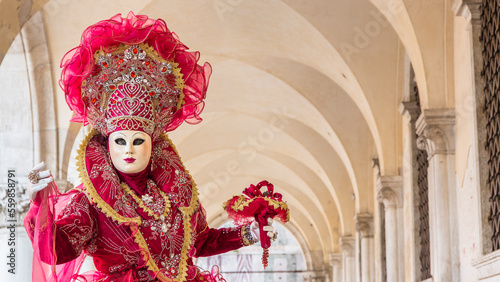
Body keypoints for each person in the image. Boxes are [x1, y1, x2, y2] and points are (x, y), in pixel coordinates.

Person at [24, 12, 274, 282]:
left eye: (138, 140)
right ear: (107, 146)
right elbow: (56, 251)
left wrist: (249, 233)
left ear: (152, 145)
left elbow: (200, 242)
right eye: (120, 141)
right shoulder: (92, 200)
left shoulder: (176, 194)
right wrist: (40, 207)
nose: (128, 149)